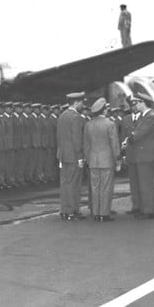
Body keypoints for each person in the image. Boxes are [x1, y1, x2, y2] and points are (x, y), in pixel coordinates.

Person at [83, 98, 120, 222]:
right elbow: (114, 144)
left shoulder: (88, 124)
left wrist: (88, 160)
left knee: (95, 188)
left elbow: (86, 145)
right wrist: (117, 160)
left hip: (93, 160)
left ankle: (96, 213)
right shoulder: (110, 124)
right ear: (104, 111)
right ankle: (104, 214)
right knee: (106, 187)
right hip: (107, 160)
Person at [122, 95, 154, 219]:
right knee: (139, 184)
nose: (135, 105)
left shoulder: (150, 117)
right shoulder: (144, 116)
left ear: (144, 103)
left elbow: (138, 134)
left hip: (145, 156)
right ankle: (141, 208)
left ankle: (148, 211)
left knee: (145, 184)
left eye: (137, 103)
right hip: (139, 155)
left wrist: (128, 139)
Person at [57, 92, 86, 220]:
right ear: (76, 103)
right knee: (74, 184)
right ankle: (72, 211)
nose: (82, 105)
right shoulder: (76, 117)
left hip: (63, 155)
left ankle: (64, 210)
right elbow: (77, 140)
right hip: (74, 156)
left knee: (65, 184)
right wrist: (80, 157)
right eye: (81, 103)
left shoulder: (62, 116)